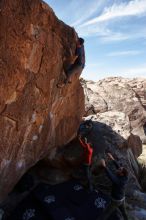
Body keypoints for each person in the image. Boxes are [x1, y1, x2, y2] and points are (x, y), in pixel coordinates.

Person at [100, 153, 129, 220]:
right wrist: (112, 158)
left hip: (116, 201)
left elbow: (112, 177)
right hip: (122, 198)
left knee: (106, 213)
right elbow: (118, 166)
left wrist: (104, 167)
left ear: (121, 173)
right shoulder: (125, 176)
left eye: (119, 170)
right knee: (124, 212)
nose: (118, 169)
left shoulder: (120, 181)